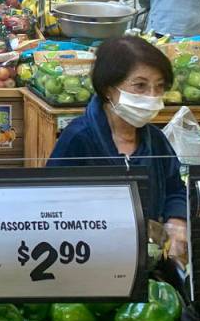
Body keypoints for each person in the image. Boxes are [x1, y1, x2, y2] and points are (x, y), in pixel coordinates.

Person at [48, 36, 187, 259]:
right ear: (107, 89)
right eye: (140, 86)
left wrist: (177, 221)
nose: (152, 97)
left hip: (150, 258)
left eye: (159, 87)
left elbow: (176, 189)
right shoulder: (78, 138)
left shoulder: (156, 140)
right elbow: (49, 201)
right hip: (88, 259)